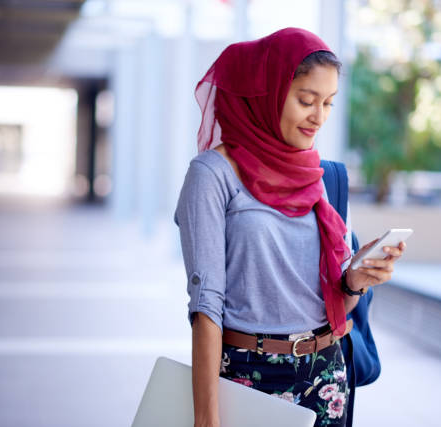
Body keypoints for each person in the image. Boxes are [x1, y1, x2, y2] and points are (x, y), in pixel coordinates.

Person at [173, 28, 406, 427]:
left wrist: (355, 280)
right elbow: (206, 307)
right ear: (268, 92)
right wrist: (206, 418)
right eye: (305, 100)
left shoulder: (319, 176)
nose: (319, 117)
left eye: (328, 103)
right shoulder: (213, 175)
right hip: (248, 377)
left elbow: (332, 303)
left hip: (327, 375)